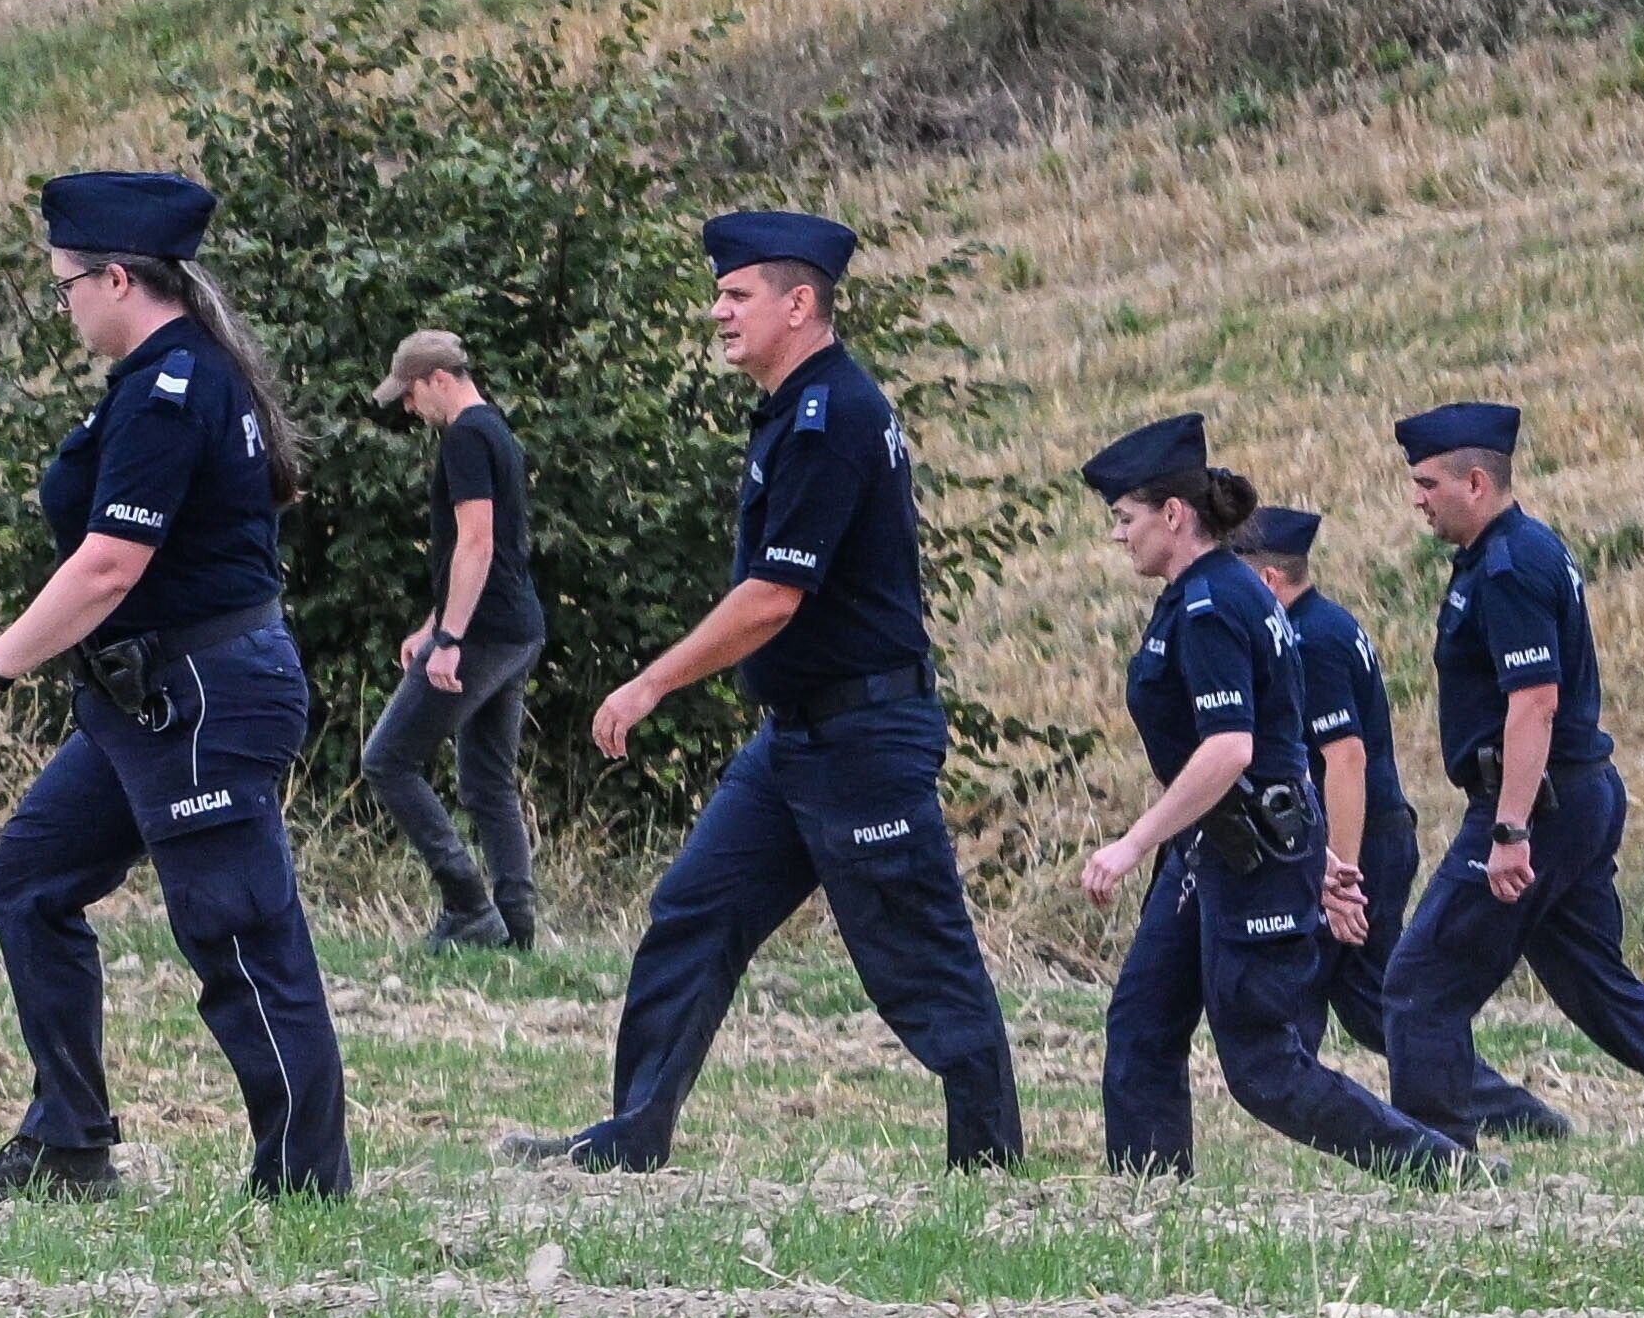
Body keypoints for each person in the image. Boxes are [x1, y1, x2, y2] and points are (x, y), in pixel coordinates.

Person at [513, 211, 1027, 1174]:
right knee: (693, 914)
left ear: (801, 305)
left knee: (917, 957)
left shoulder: (835, 415)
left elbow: (774, 597)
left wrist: (651, 682)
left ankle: (990, 1169)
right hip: (795, 740)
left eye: (736, 294)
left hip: (864, 736)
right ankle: (633, 1137)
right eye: (718, 294)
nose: (718, 311)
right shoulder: (794, 409)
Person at [0, 169, 349, 1199]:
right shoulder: (171, 377)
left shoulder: (172, 389)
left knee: (241, 933)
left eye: (64, 287)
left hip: (197, 697)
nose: (62, 307)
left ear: (116, 277)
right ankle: (69, 1141)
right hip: (142, 701)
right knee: (30, 879)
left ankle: (304, 1184)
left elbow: (111, 564)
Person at [1379, 399, 1644, 1177]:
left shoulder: (1510, 566)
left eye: (1426, 483)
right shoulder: (1516, 551)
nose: (1416, 498)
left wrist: (1509, 831)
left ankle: (1434, 1164)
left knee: (1420, 982)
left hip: (1538, 806)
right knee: (1605, 994)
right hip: (1574, 797)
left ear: (1474, 480)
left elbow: (1534, 702)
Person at [1071, 424, 1457, 1187]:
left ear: (1175, 515)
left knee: (1263, 1068)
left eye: (1126, 519)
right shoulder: (1202, 594)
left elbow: (1232, 748)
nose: (1118, 537)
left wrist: (1132, 842)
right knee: (1142, 1025)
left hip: (1248, 855)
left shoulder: (1215, 603)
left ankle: (1437, 1166)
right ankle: (1146, 1202)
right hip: (1217, 848)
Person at [355, 326, 542, 953]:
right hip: (516, 627)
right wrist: (434, 625)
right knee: (489, 781)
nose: (410, 410)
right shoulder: (496, 430)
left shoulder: (464, 436)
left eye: (410, 396)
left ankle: (466, 904)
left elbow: (479, 541)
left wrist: (452, 638)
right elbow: (501, 550)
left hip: (484, 633)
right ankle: (516, 930)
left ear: (438, 379)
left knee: (386, 759)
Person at [1239, 501, 1432, 1086]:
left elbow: (1344, 757)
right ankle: (1487, 1101)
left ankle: (1491, 1103)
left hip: (1359, 837)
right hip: (1373, 829)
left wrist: (1342, 874)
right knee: (1366, 999)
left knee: (1363, 996)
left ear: (1269, 579)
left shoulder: (1310, 640)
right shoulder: (1330, 623)